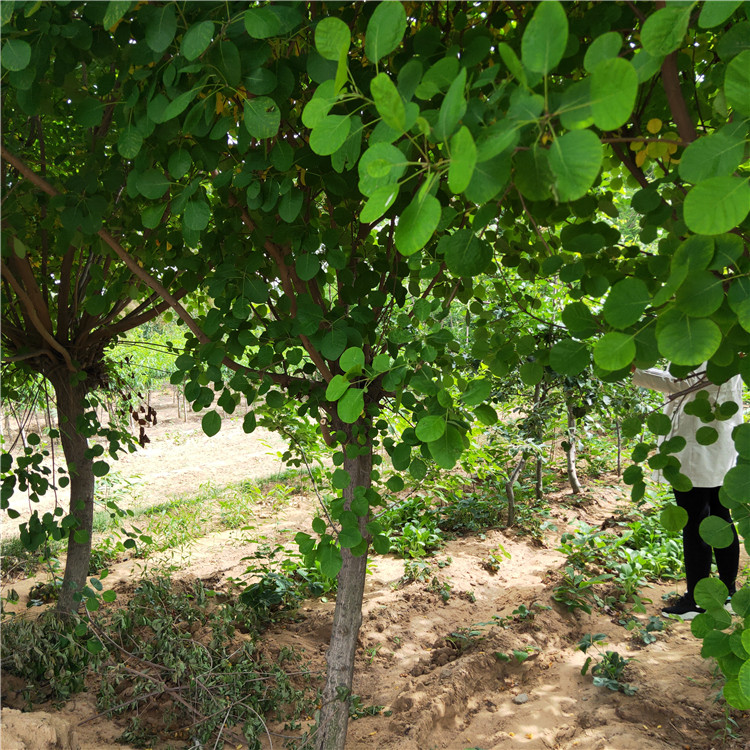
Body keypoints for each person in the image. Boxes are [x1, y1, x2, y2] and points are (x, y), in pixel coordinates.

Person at [632, 364, 741, 619]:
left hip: (697, 450)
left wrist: (634, 369)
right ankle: (727, 593)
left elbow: (683, 382)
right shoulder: (730, 345)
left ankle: (697, 600)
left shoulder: (709, 346)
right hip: (715, 446)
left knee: (695, 523)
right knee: (719, 518)